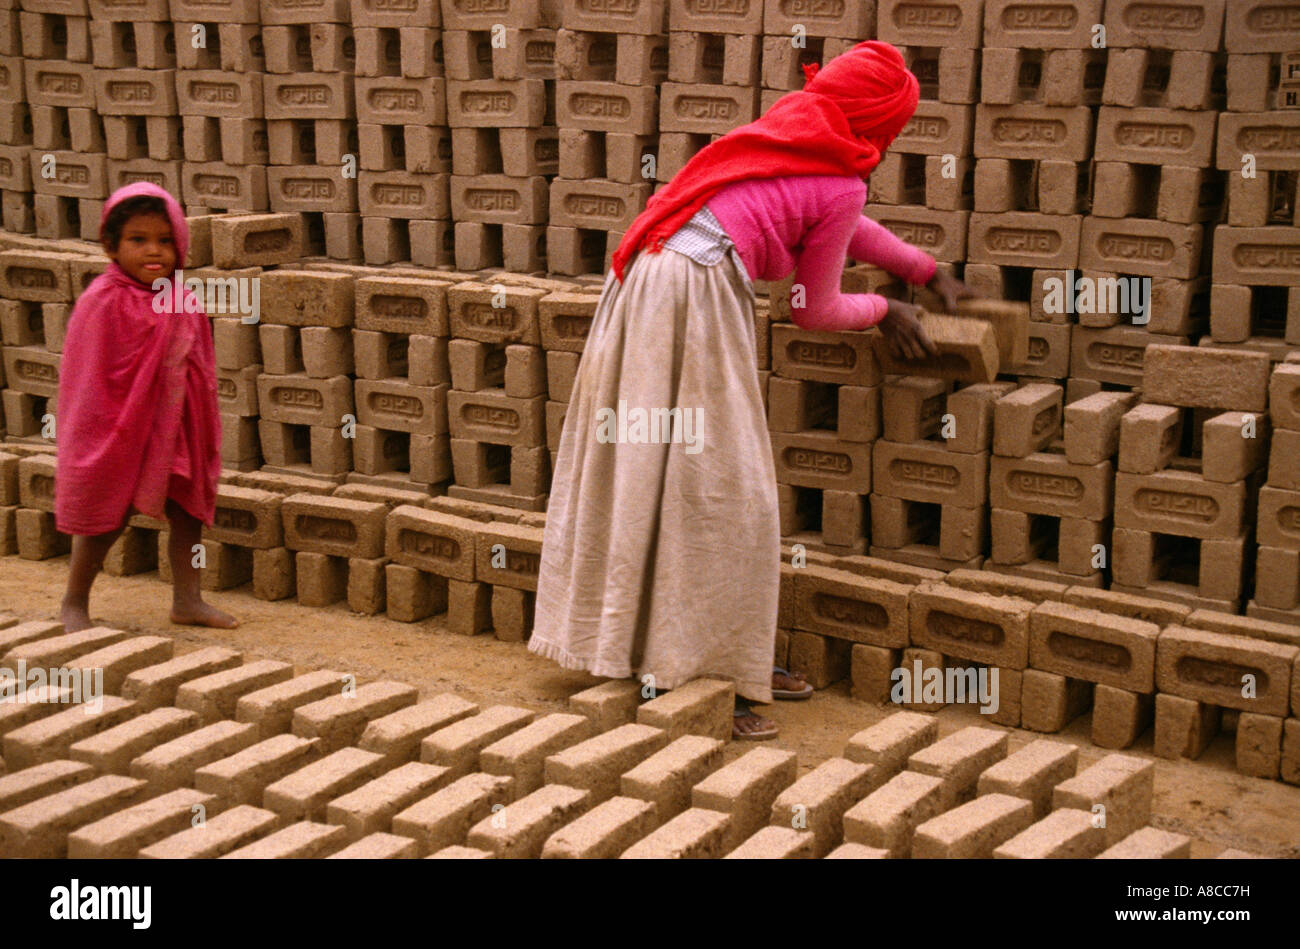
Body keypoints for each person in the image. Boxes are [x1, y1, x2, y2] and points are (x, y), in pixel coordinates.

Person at [528, 41, 973, 739]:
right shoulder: (836, 173)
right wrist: (888, 311)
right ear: (878, 121)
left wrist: (921, 269)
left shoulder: (797, 135)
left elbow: (837, 219)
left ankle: (697, 655)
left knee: (652, 471)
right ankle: (703, 672)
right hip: (691, 295)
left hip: (647, 278)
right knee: (724, 490)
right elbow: (812, 306)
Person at [55, 182, 236, 632]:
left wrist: (193, 424)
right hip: (119, 429)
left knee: (189, 514)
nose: (153, 251)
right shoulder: (102, 300)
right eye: (138, 240)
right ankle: (75, 600)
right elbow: (90, 381)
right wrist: (117, 427)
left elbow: (197, 369)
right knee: (106, 519)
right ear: (110, 246)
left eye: (165, 240)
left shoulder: (180, 297)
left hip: (175, 427)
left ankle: (188, 600)